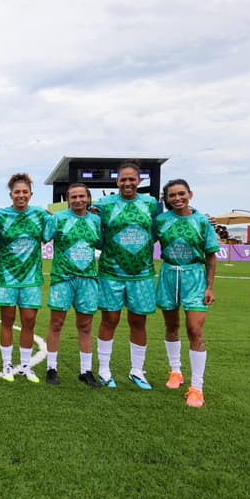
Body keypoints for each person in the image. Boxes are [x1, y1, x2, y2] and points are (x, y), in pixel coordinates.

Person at [93, 161, 160, 389]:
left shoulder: (150, 204)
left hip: (141, 273)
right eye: (124, 179)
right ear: (117, 181)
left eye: (132, 179)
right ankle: (104, 369)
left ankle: (137, 371)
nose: (128, 183)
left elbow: (156, 231)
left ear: (139, 181)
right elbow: (91, 224)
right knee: (109, 320)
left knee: (138, 321)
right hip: (111, 272)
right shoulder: (104, 204)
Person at [155, 179, 218, 408]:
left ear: (190, 194)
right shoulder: (161, 221)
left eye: (181, 194)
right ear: (167, 199)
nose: (177, 198)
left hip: (194, 277)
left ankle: (197, 387)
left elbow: (211, 255)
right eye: (172, 195)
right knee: (171, 326)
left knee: (194, 330)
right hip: (169, 275)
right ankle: (175, 371)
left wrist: (210, 286)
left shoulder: (202, 221)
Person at [0, 173, 52, 384]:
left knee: (29, 322)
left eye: (24, 192)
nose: (21, 195)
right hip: (7, 278)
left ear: (31, 194)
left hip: (31, 278)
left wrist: (51, 215)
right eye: (17, 192)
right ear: (11, 194)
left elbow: (48, 235)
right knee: (7, 321)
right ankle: (7, 364)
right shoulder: (0, 215)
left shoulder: (39, 214)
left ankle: (26, 365)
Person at [44, 183, 103, 387]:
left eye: (81, 196)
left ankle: (85, 371)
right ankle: (51, 368)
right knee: (56, 323)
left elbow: (101, 243)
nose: (77, 200)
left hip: (88, 280)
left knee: (85, 325)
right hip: (63, 278)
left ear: (88, 198)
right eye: (73, 197)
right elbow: (44, 237)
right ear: (68, 199)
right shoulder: (58, 219)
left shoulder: (96, 220)